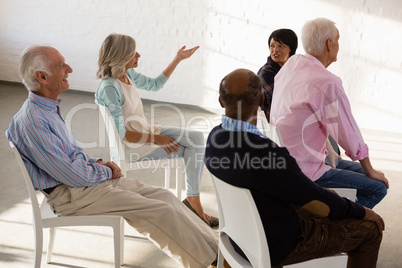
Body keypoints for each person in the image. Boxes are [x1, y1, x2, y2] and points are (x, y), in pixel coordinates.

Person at [6, 45, 218, 268]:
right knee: (160, 211)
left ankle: (217, 249)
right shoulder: (35, 122)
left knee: (164, 197)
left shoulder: (46, 109)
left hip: (83, 184)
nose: (69, 68)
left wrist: (98, 163)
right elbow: (72, 175)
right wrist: (106, 170)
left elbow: (69, 156)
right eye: (61, 65)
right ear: (42, 77)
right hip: (71, 194)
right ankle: (212, 262)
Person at [205, 68, 384, 268]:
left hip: (240, 237)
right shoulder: (269, 154)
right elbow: (317, 203)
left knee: (326, 196)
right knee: (369, 231)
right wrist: (361, 211)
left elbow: (302, 192)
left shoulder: (214, 140)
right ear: (262, 101)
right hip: (279, 243)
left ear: (221, 102)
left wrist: (324, 194)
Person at [95, 33, 218, 227]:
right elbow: (123, 135)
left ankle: (192, 201)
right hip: (132, 146)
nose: (139, 55)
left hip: (144, 131)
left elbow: (155, 85)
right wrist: (157, 139)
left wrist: (178, 58)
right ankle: (194, 203)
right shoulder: (109, 88)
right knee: (189, 149)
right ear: (121, 56)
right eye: (133, 52)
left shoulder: (127, 74)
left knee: (196, 137)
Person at [270, 18, 389, 209]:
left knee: (357, 171)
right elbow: (348, 132)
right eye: (338, 40)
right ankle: (333, 223)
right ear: (329, 44)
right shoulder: (327, 82)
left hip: (288, 162)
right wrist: (370, 169)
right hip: (305, 171)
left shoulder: (291, 65)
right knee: (378, 186)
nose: (338, 46)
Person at [257, 28, 298, 120]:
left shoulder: (293, 69)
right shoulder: (266, 73)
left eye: (281, 46)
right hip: (272, 127)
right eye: (272, 46)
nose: (275, 50)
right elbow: (282, 103)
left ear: (291, 49)